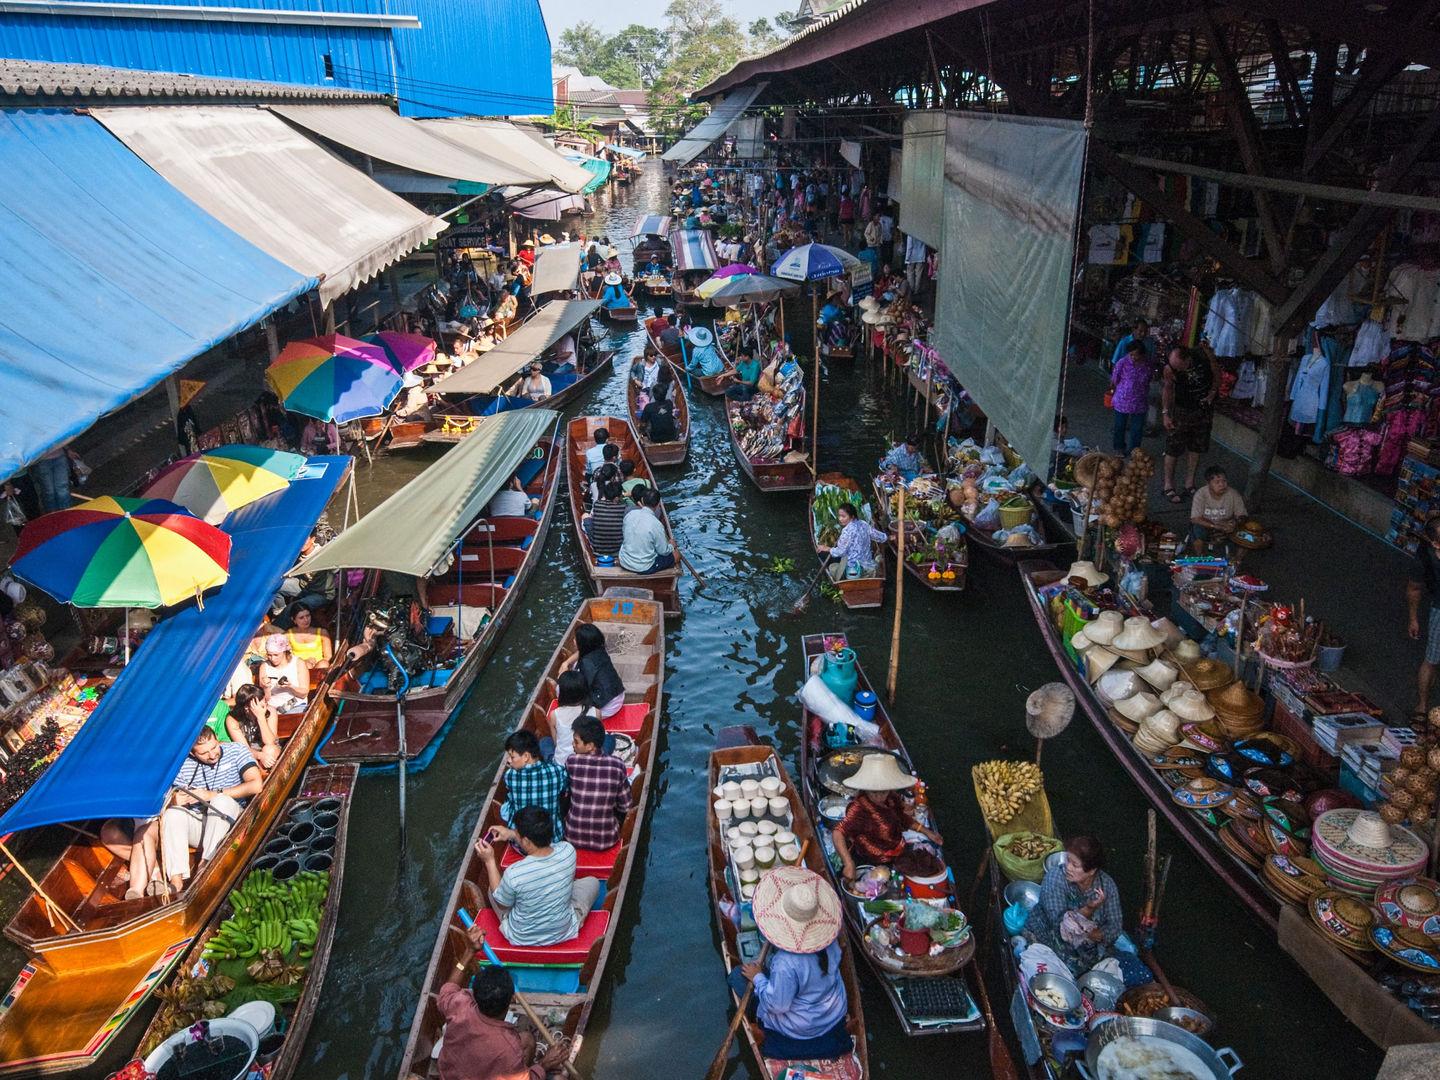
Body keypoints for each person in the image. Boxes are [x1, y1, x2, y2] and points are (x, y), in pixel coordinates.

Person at [730, 867, 853, 1062]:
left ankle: (770, 1034)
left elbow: (778, 1005)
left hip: (800, 1027)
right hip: (833, 1012)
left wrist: (758, 978)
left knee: (737, 976)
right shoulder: (829, 937)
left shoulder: (786, 962)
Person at [437, 930, 571, 1080]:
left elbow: (448, 988)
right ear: (513, 999)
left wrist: (469, 951)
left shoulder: (459, 1005)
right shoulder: (508, 1048)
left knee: (526, 1039)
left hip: (449, 1075)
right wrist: (545, 1064)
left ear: (475, 995)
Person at [1026, 835, 1149, 984]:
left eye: (1075, 865)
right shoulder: (1054, 879)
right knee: (1063, 979)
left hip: (1091, 946)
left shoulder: (1107, 885)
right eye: (1067, 860)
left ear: (1091, 871)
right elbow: (1062, 927)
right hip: (1053, 937)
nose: (1067, 867)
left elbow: (1115, 925)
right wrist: (1089, 909)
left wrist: (1101, 935)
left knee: (1137, 975)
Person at [476, 807, 600, 947]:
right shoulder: (568, 851)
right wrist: (512, 834)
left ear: (527, 841)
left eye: (517, 832)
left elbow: (502, 904)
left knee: (494, 892)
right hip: (564, 931)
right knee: (593, 882)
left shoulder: (514, 873)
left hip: (521, 937)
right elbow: (541, 845)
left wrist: (489, 861)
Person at [830, 753, 942, 885]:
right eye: (874, 792)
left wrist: (927, 832)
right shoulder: (859, 809)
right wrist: (848, 863)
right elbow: (838, 832)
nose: (879, 797)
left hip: (897, 851)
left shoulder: (892, 798)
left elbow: (902, 818)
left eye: (883, 791)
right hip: (872, 859)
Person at [1161, 344, 1221, 502]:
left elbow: (1216, 373)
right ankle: (1168, 484)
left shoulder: (1202, 356)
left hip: (1203, 410)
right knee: (1173, 447)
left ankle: (1189, 483)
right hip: (1181, 410)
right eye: (1175, 367)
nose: (1178, 371)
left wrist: (1212, 393)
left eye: (1180, 367)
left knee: (1197, 446)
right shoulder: (1170, 369)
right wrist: (1166, 413)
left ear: (1188, 359)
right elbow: (1167, 389)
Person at [563, 716, 632, 851]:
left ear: (590, 746)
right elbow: (626, 807)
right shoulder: (617, 765)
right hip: (607, 839)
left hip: (572, 837)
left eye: (576, 742)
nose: (573, 745)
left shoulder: (571, 761)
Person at [500, 729, 568, 839]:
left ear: (526, 756)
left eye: (512, 757)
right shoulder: (557, 771)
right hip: (554, 839)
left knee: (506, 806)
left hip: (523, 843)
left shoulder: (510, 775)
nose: (508, 760)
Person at [1407, 515, 1440, 715]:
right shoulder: (1425, 558)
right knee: (1432, 659)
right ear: (1436, 543)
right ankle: (1422, 706)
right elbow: (1414, 589)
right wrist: (1413, 618)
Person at [561, 622, 627, 720]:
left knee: (562, 690)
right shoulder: (599, 649)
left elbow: (579, 689)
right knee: (575, 666)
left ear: (583, 644)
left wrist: (563, 675)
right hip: (618, 696)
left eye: (576, 639)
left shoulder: (587, 664)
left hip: (607, 707)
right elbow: (581, 652)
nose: (573, 641)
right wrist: (566, 663)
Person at [817, 503, 886, 582]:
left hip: (854, 568)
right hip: (868, 563)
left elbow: (841, 552)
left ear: (852, 517)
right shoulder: (864, 524)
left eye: (843, 516)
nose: (840, 519)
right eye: (839, 516)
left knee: (825, 557)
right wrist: (887, 537)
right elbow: (878, 536)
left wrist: (827, 548)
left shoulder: (846, 531)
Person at [1109, 338, 1155, 453]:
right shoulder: (1122, 362)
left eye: (1136, 355)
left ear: (1142, 354)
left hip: (1139, 401)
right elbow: (1115, 379)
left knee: (1137, 429)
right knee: (1120, 426)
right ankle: (1119, 448)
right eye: (1131, 354)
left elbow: (1149, 379)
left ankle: (1135, 451)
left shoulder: (1148, 365)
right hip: (1122, 400)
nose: (1133, 357)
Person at [618, 488, 676, 576]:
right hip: (644, 567)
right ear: (657, 505)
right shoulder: (656, 524)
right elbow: (663, 551)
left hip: (624, 561)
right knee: (676, 555)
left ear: (642, 500)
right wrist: (672, 546)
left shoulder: (630, 514)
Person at [546, 670, 596, 768]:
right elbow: (596, 739)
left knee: (545, 742)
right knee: (608, 739)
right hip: (587, 763)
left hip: (562, 765)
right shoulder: (596, 711)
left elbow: (556, 742)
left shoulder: (554, 715)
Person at [1189, 465, 1247, 550]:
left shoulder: (1233, 494)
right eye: (1217, 482)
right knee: (1198, 531)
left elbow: (1242, 515)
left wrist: (1235, 523)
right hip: (1206, 524)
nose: (1222, 485)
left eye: (1224, 481)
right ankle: (1199, 557)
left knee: (1246, 533)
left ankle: (1236, 560)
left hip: (1226, 524)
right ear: (1208, 484)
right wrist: (1214, 526)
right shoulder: (1200, 494)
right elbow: (1195, 519)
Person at [228, 684, 281, 771]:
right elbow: (243, 749)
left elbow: (270, 741)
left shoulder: (270, 711)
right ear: (247, 708)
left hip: (270, 749)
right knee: (251, 761)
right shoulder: (233, 720)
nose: (265, 703)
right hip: (250, 752)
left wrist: (261, 717)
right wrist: (259, 756)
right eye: (261, 702)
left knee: (269, 749)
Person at [258, 633, 310, 715]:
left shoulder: (298, 663)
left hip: (295, 704)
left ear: (284, 652)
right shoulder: (264, 666)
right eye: (269, 655)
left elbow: (304, 694)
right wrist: (266, 687)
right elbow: (266, 698)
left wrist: (290, 686)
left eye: (276, 655)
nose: (273, 659)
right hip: (273, 707)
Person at [582, 478, 629, 558]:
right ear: (616, 498)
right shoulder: (624, 508)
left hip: (597, 549)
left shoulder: (597, 504)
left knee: (585, 516)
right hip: (618, 549)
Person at [284, 604, 333, 670]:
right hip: (299, 667)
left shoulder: (322, 632)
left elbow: (328, 656)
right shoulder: (288, 635)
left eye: (308, 616)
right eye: (301, 618)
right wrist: (305, 661)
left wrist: (315, 663)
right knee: (306, 665)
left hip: (319, 666)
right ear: (294, 620)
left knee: (324, 664)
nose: (306, 620)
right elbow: (287, 657)